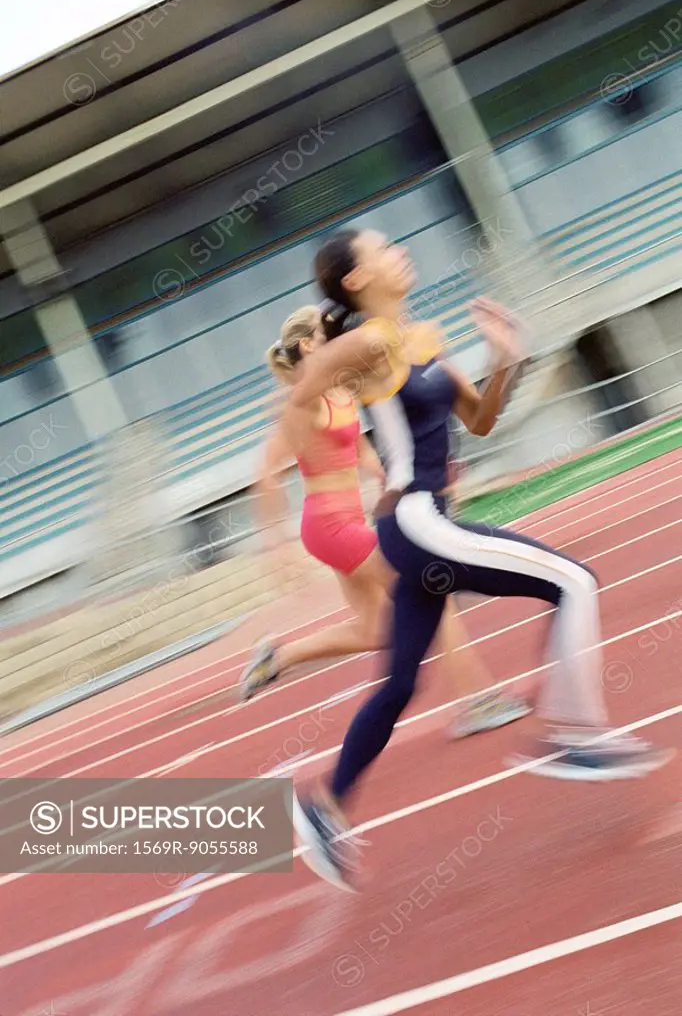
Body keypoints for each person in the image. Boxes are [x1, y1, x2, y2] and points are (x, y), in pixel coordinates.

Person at [282, 227, 674, 890]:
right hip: (418, 520)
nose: (398, 249)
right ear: (354, 279)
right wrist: (335, 348)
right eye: (382, 248)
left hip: (425, 527)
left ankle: (323, 806)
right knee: (575, 582)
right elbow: (302, 391)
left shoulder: (421, 340)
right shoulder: (376, 342)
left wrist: (506, 358)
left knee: (403, 682)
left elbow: (482, 420)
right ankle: (575, 733)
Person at [239, 305, 530, 740]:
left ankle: (278, 657)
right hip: (328, 527)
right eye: (328, 334)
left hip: (349, 521)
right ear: (308, 345)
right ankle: (478, 700)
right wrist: (275, 546)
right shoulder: (298, 403)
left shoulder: (339, 388)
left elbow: (360, 449)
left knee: (377, 629)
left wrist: (392, 482)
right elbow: (264, 475)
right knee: (432, 587)